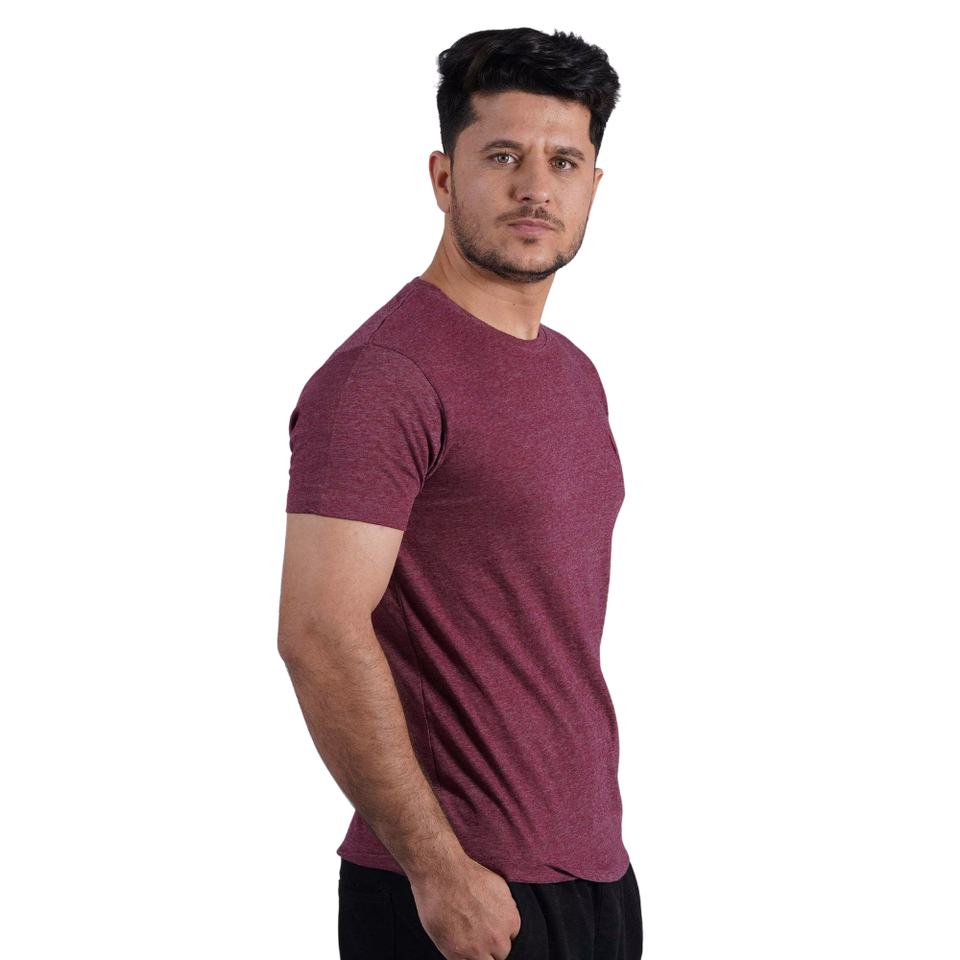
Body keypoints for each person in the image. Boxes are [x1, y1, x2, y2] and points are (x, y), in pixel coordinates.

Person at [277, 27, 642, 960]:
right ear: (444, 178)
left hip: (594, 874)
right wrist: (439, 871)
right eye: (503, 156)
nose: (536, 187)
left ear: (594, 185)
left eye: (564, 161)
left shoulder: (573, 374)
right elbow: (318, 633)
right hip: (455, 892)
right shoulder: (382, 379)